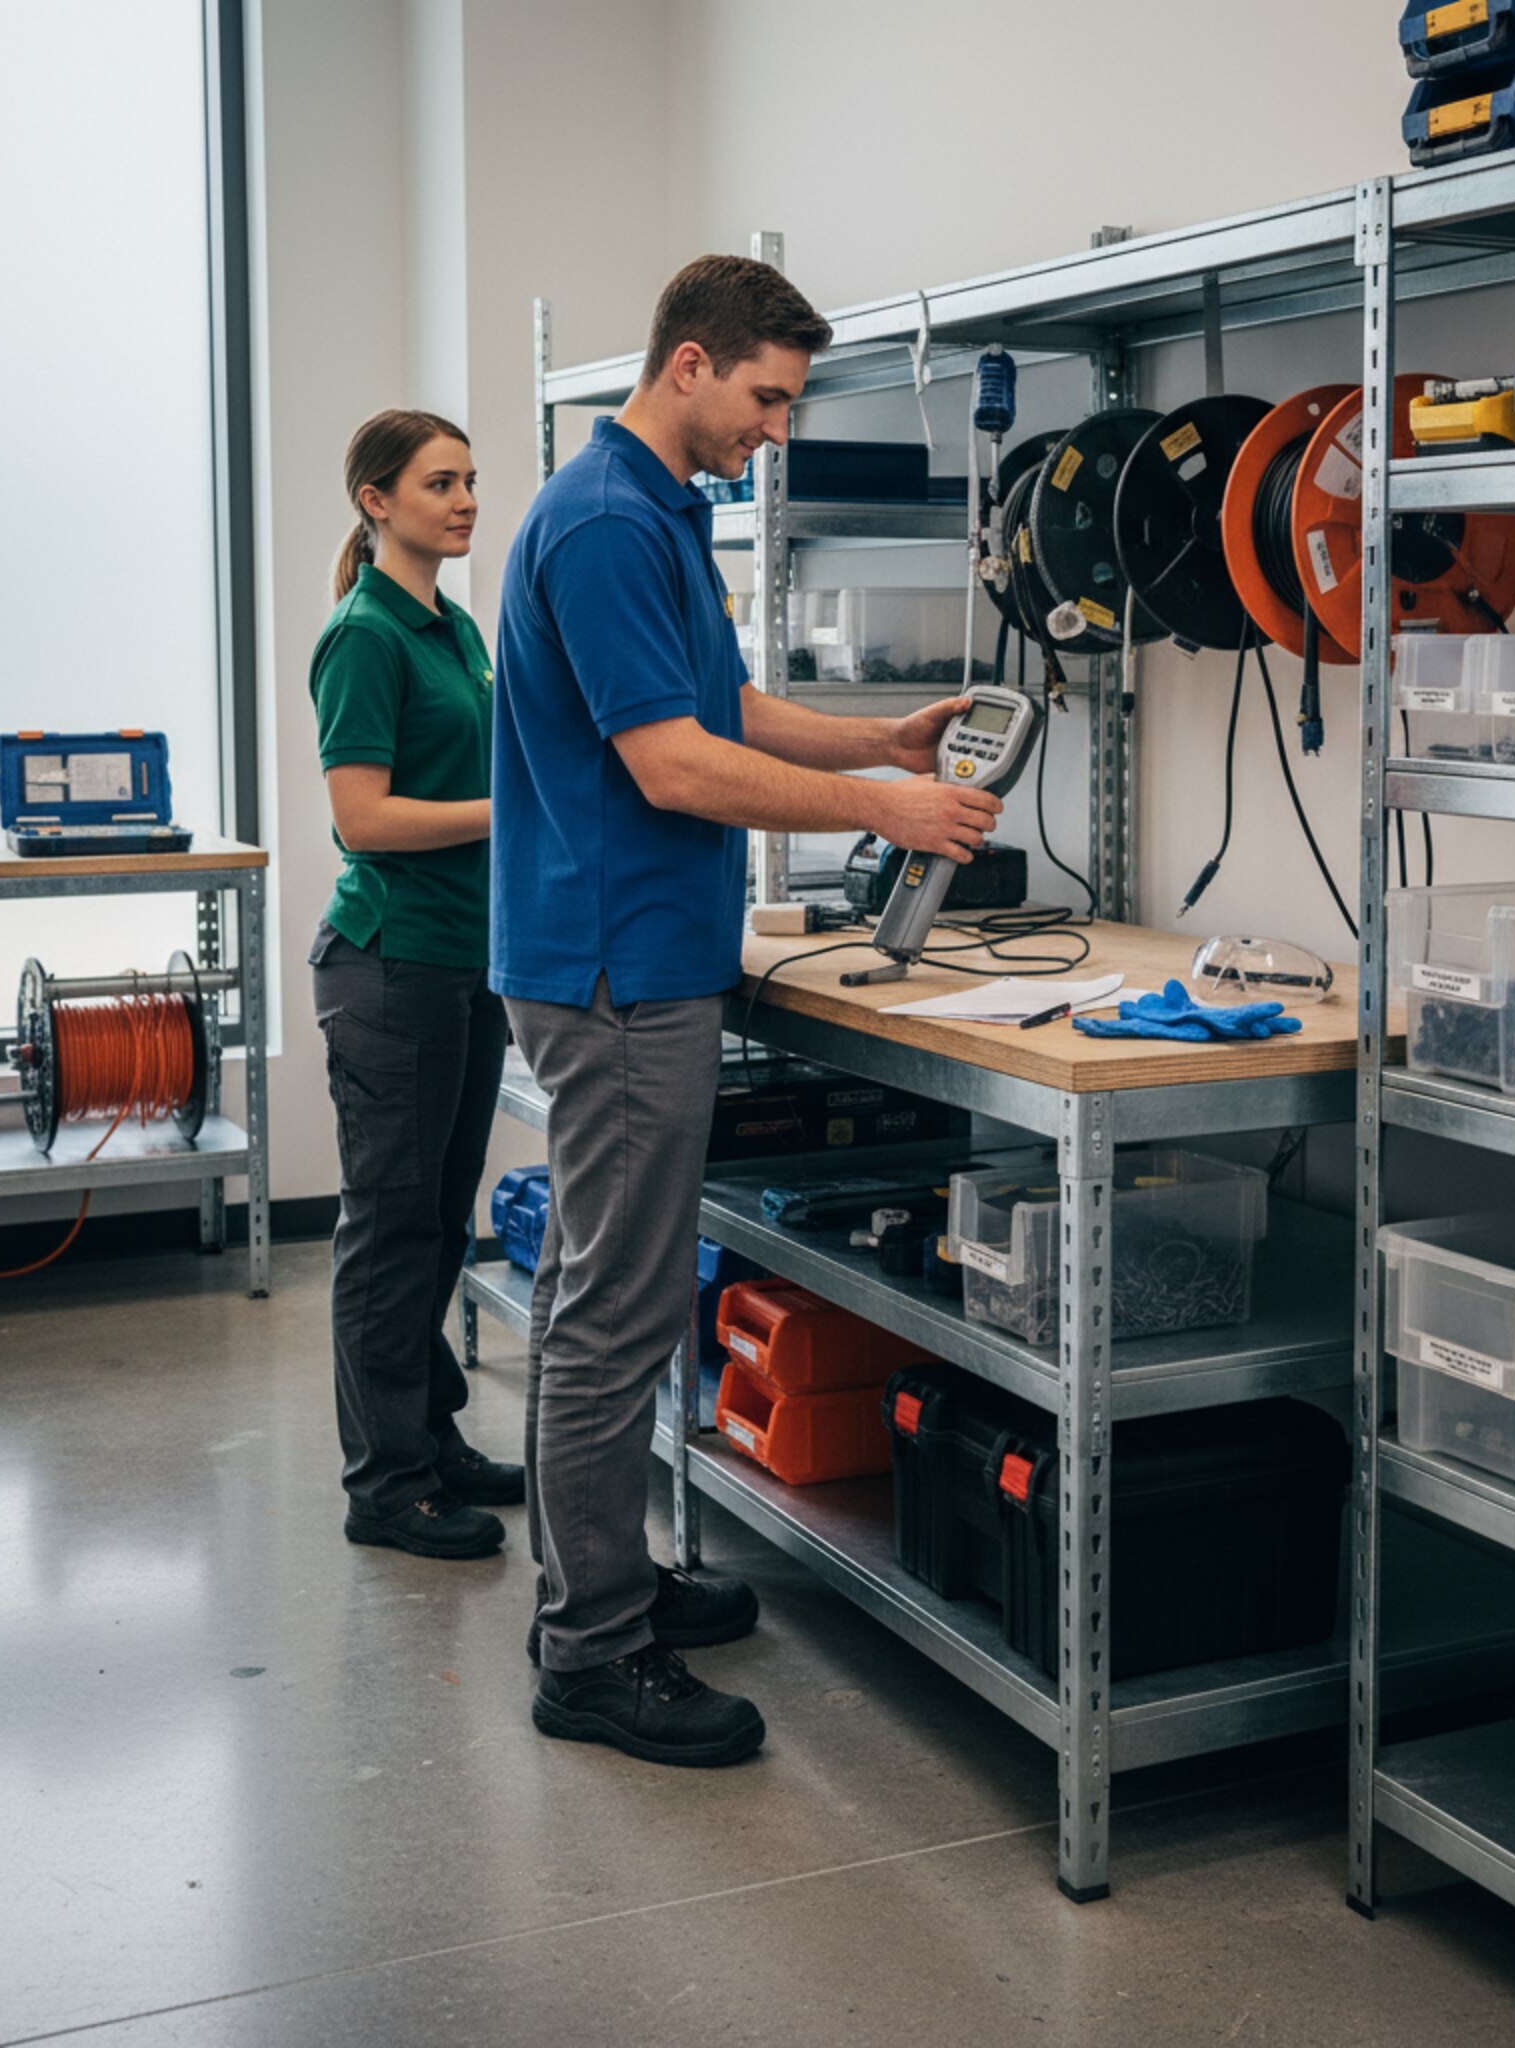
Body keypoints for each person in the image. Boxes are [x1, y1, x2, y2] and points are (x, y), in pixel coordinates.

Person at [492, 255, 1000, 1767]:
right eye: (767, 399)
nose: (775, 431)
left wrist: (876, 747)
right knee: (614, 1312)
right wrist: (901, 814)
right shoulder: (597, 525)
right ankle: (589, 1652)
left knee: (614, 1296)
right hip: (614, 968)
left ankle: (606, 1588)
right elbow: (674, 768)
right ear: (691, 363)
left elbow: (719, 708)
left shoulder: (651, 511)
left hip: (640, 957)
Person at [309, 409, 524, 1562]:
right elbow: (364, 816)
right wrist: (513, 812)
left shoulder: (454, 625)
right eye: (439, 482)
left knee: (439, 1219)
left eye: (471, 481)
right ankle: (383, 1481)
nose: (464, 500)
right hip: (388, 965)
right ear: (375, 500)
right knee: (389, 1230)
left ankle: (430, 1440)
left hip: (461, 960)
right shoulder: (365, 634)